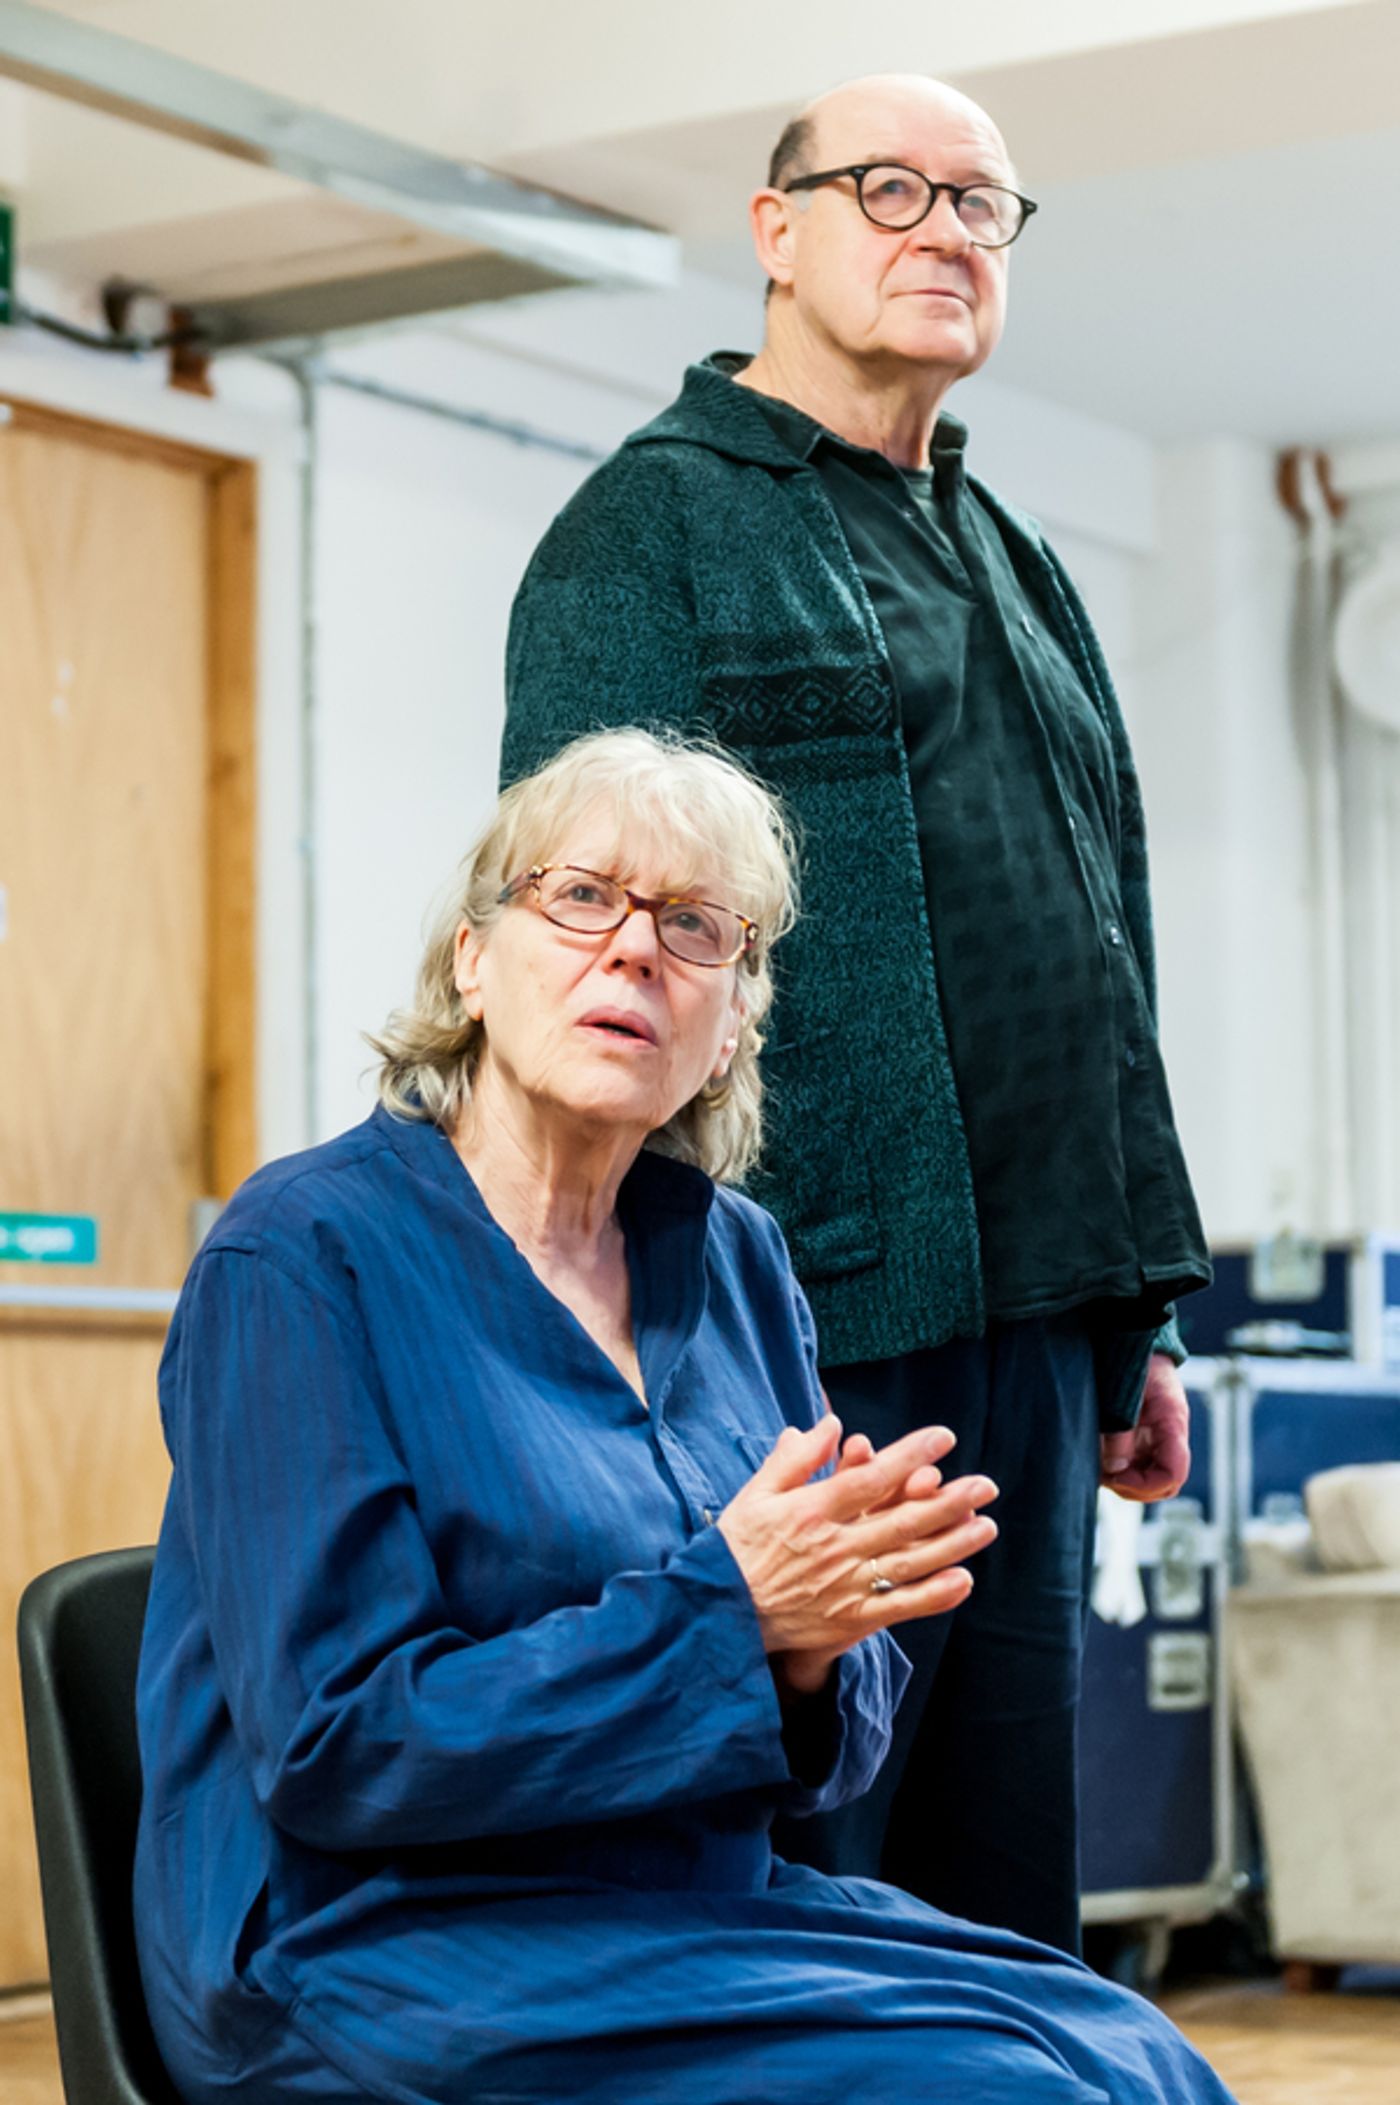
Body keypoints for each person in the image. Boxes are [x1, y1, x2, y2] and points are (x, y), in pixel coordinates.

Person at [134, 729, 1231, 2104]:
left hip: (687, 1905)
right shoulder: (300, 1253)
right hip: (380, 1938)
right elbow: (339, 1746)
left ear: (731, 1030)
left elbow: (832, 1726)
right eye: (581, 896)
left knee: (1141, 2056)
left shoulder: (739, 1261)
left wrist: (820, 1644)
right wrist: (736, 1609)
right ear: (475, 958)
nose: (635, 950)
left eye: (695, 926)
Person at [502, 72, 1212, 1954]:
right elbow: (587, 969)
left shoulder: (1023, 558)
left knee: (1004, 1878)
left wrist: (1131, 1310)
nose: (944, 232)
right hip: (800, 1324)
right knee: (807, 1867)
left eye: (985, 207)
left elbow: (1098, 948)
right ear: (776, 231)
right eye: (889, 188)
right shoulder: (642, 537)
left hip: (1043, 1337)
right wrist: (617, 1324)